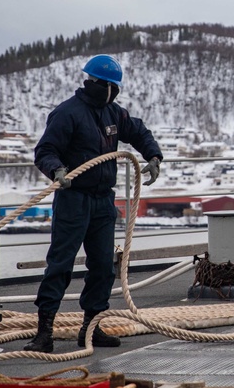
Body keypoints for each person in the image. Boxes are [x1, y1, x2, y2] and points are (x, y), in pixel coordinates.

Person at [24, 54, 163, 353]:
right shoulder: (67, 114)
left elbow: (138, 131)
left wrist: (153, 156)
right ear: (95, 83)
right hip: (73, 200)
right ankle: (44, 332)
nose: (113, 91)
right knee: (60, 265)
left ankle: (91, 327)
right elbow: (45, 150)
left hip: (103, 203)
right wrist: (57, 170)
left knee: (102, 266)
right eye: (110, 86)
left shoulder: (114, 114)